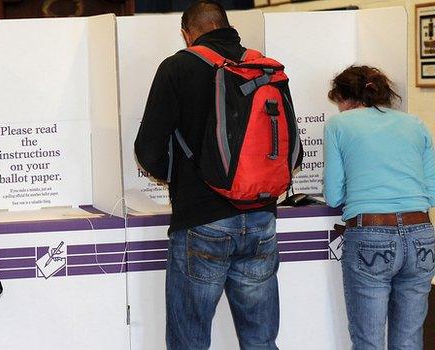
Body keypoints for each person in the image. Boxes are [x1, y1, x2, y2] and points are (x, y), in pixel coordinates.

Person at [133, 1, 302, 348]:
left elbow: (148, 147)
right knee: (260, 340)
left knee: (190, 341)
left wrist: (180, 176)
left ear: (187, 34)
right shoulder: (263, 68)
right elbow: (289, 145)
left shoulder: (177, 67)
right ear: (226, 25)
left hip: (201, 220)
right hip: (261, 218)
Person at [323, 66, 435, 349]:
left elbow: (334, 196)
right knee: (409, 339)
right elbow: (431, 193)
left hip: (370, 234)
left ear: (346, 98)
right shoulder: (415, 124)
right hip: (421, 234)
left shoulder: (339, 125)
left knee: (368, 340)